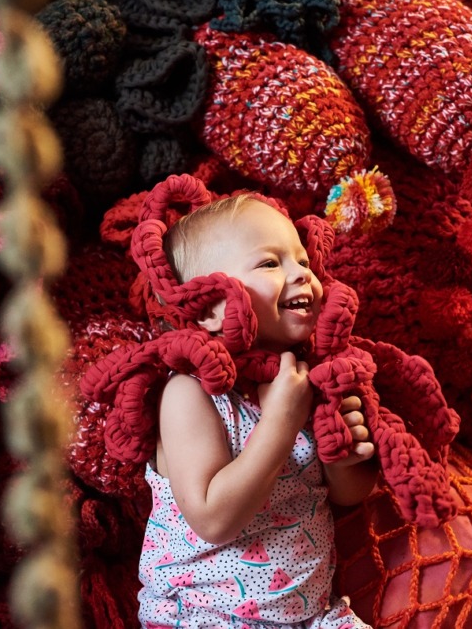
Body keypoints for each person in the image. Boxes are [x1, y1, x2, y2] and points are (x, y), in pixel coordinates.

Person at [138, 193, 378, 628]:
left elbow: (345, 497)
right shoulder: (191, 393)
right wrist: (281, 423)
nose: (301, 274)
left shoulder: (309, 378)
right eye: (270, 263)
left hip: (311, 615)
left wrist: (344, 459)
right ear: (211, 306)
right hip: (202, 615)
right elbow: (212, 518)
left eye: (303, 261)